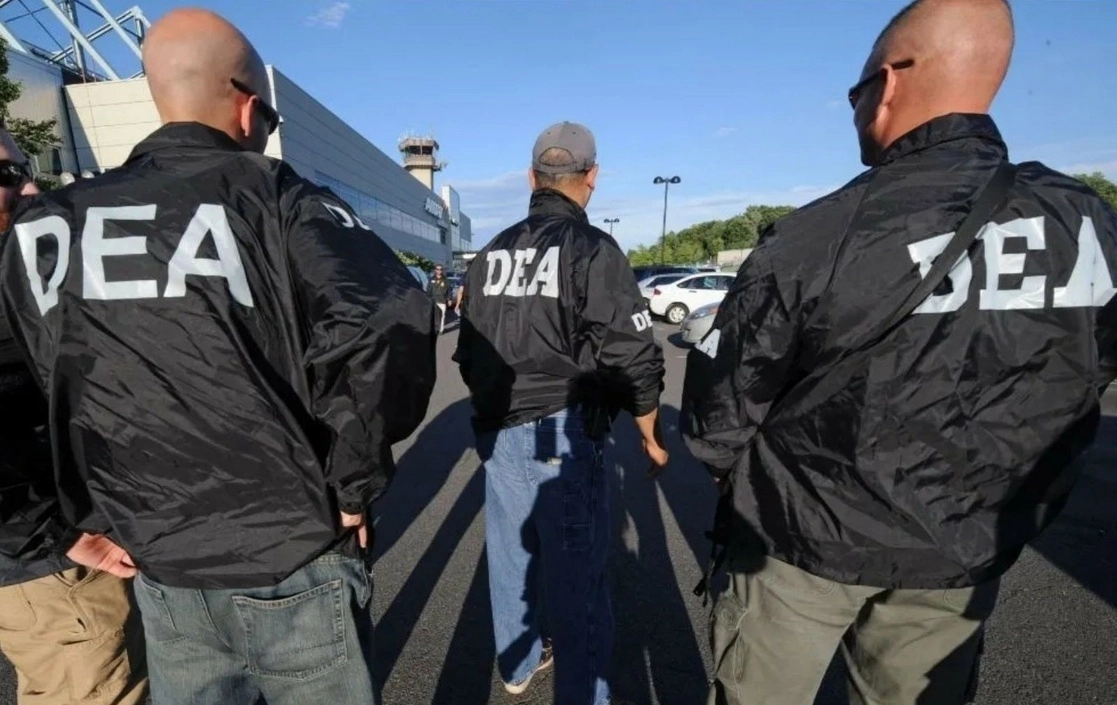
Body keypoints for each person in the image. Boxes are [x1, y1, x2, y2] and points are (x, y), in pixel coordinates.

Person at [681, 1, 1117, 704]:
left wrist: (729, 474)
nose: (852, 109)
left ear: (888, 83)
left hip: (801, 538)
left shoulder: (818, 232)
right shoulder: (1085, 225)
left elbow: (720, 400)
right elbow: (1091, 369)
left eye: (853, 92)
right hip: (963, 547)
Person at [0, 8, 436, 705]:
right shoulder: (275, 195)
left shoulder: (49, 225)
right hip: (290, 543)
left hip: (157, 555)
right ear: (244, 104)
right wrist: (352, 480)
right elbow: (388, 317)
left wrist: (63, 518)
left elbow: (29, 379)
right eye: (265, 116)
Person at [454, 121, 668, 705]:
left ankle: (518, 664)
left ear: (532, 177)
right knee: (577, 577)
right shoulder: (593, 249)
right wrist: (649, 431)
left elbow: (467, 352)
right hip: (562, 429)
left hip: (498, 427)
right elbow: (633, 352)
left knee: (510, 553)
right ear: (591, 178)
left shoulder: (491, 252)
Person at [0, 125, 148, 705]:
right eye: (8, 175)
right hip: (43, 562)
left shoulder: (20, 266)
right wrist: (58, 534)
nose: (31, 188)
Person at [427, 263, 452, 334]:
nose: (439, 271)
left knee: (442, 316)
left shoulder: (446, 280)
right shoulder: (431, 279)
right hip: (433, 300)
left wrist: (449, 299)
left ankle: (441, 330)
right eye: (437, 269)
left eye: (441, 269)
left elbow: (449, 290)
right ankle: (436, 329)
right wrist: (428, 299)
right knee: (434, 316)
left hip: (442, 300)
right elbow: (428, 290)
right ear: (435, 270)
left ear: (442, 270)